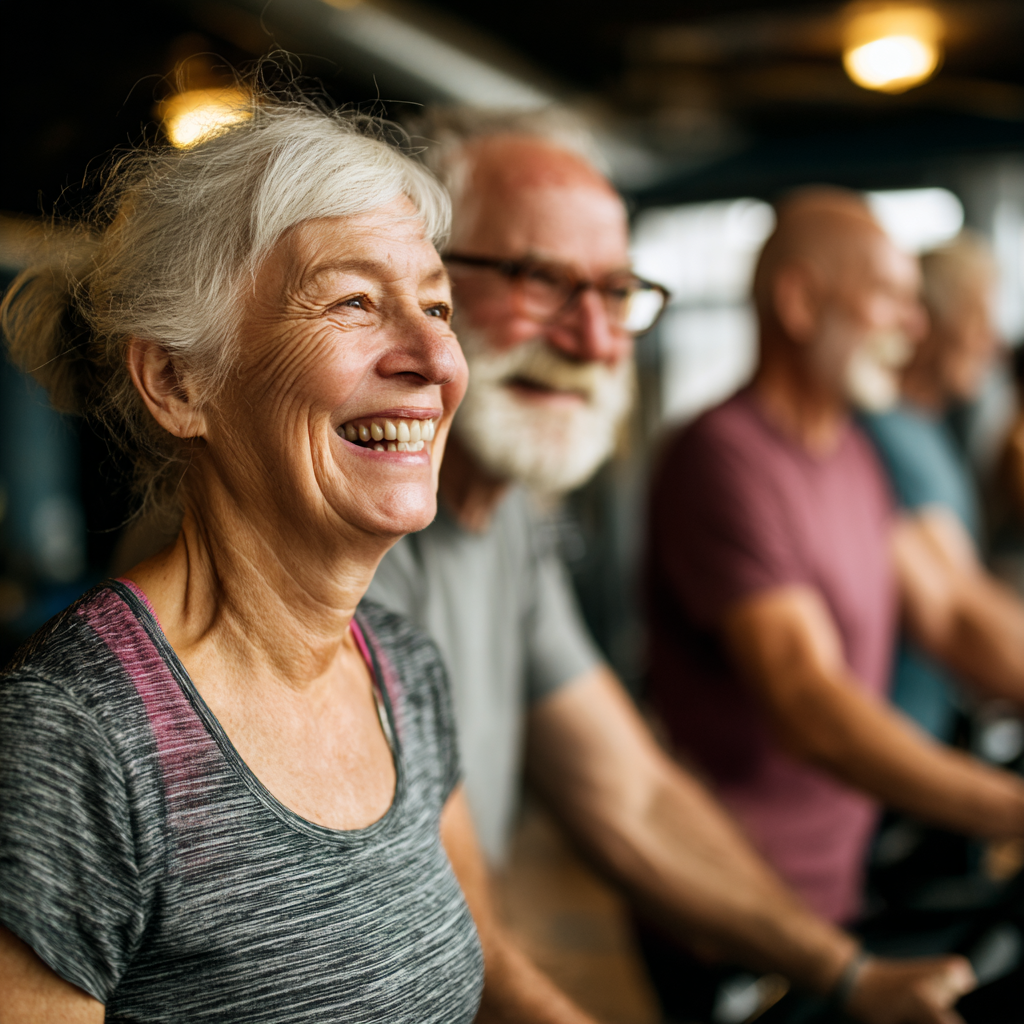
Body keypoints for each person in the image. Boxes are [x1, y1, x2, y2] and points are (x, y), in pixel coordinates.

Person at [366, 111, 975, 1023]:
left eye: (616, 295)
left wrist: (845, 971)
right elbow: (435, 916)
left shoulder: (508, 513)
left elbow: (629, 789)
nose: (596, 340)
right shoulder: (352, 539)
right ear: (418, 284)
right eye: (538, 279)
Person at [0, 95, 596, 1024]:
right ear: (177, 380)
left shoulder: (400, 669)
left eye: (437, 305)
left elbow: (486, 981)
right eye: (354, 301)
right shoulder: (74, 738)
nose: (438, 355)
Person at [645, 188, 1024, 1010]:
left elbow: (953, 612)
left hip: (836, 885)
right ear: (800, 302)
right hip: (738, 909)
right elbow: (807, 702)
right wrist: (1011, 808)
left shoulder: (852, 452)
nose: (914, 326)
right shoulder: (725, 456)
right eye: (889, 296)